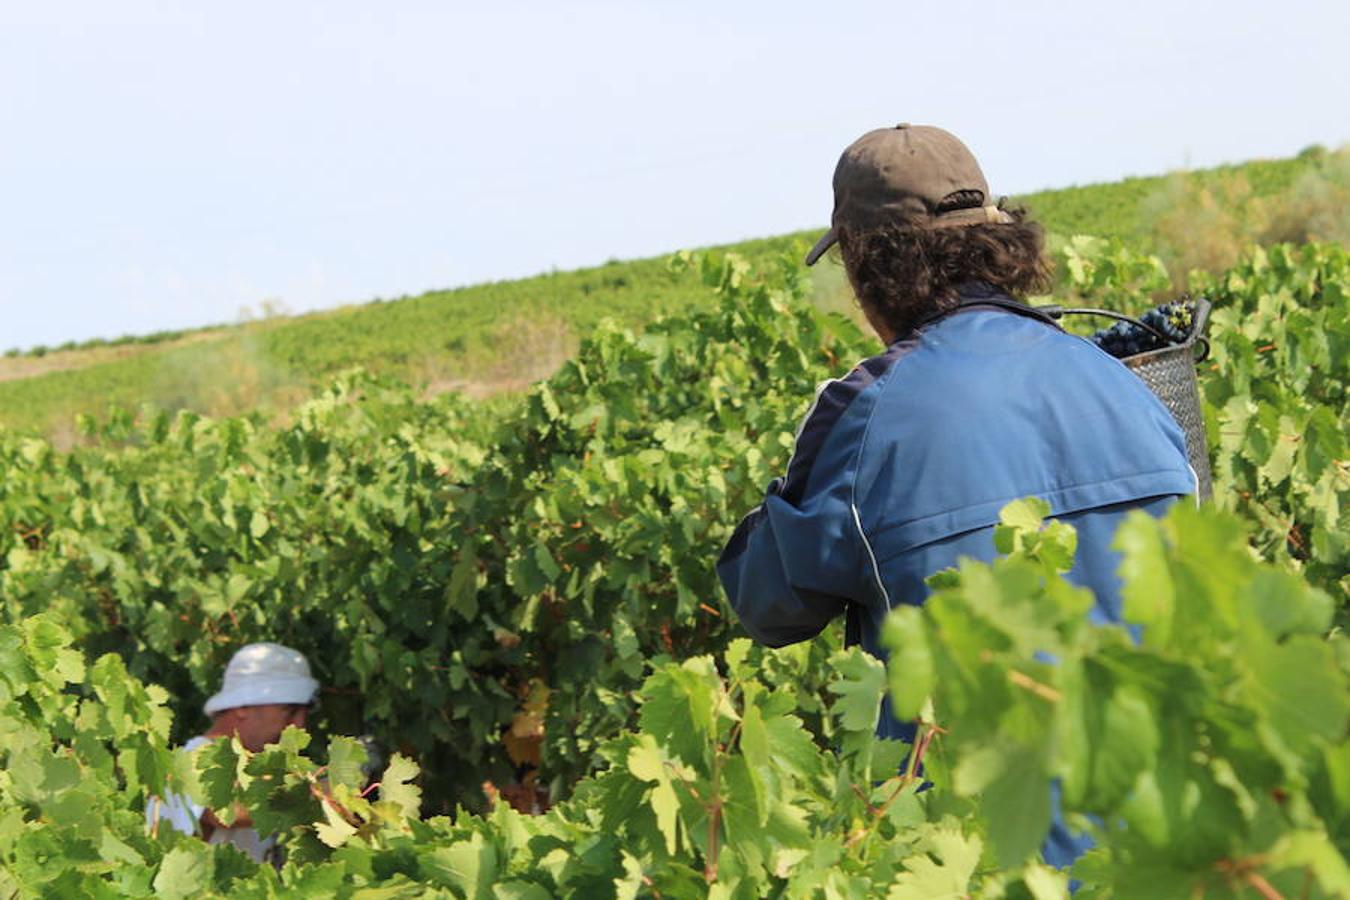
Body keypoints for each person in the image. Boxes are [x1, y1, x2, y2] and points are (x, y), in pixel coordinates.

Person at [716, 123, 1195, 868]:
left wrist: (805, 464)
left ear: (868, 267)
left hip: (976, 862)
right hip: (1164, 853)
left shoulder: (868, 413)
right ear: (997, 245)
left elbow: (767, 604)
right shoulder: (1128, 384)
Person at [145, 642, 319, 864]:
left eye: (305, 713)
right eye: (290, 711)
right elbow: (226, 810)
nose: (300, 725)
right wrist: (316, 793)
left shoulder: (256, 772)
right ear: (243, 706)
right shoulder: (196, 757)